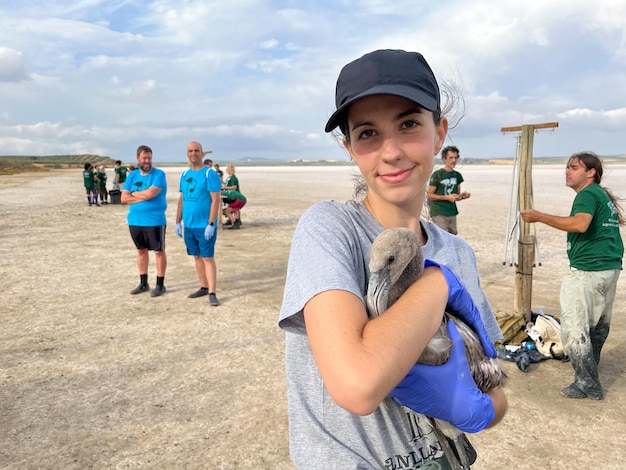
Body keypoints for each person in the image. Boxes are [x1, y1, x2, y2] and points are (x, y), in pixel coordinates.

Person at [278, 49, 506, 468]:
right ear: (349, 148)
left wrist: (480, 410)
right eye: (367, 133)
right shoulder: (331, 229)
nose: (391, 151)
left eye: (408, 124)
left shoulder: (458, 253)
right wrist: (438, 284)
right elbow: (358, 384)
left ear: (439, 132)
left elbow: (493, 386)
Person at [520, 151, 623, 400]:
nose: (567, 171)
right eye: (566, 167)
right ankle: (590, 369)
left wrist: (539, 217)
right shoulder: (600, 195)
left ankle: (587, 383)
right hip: (609, 267)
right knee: (597, 325)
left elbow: (580, 224)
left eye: (574, 167)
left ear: (591, 173)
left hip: (588, 269)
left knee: (574, 327)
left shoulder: (588, 194)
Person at [175, 141, 222, 306]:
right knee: (196, 256)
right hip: (189, 225)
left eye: (196, 150)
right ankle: (203, 285)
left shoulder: (209, 174)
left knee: (207, 257)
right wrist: (177, 221)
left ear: (202, 153)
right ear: (187, 153)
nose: (193, 153)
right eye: (190, 151)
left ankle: (212, 292)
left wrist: (211, 223)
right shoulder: (184, 174)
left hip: (204, 225)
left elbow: (216, 200)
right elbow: (182, 199)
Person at [121, 145, 168, 297]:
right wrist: (142, 195)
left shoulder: (158, 175)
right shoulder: (132, 176)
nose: (147, 161)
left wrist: (134, 194)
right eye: (144, 158)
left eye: (149, 158)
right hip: (135, 220)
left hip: (154, 221)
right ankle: (143, 283)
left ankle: (160, 284)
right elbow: (123, 198)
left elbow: (151, 194)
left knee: (158, 251)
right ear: (138, 159)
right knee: (141, 251)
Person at [427, 145, 470, 234]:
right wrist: (447, 197)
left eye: (455, 158)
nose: (453, 160)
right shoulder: (437, 174)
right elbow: (429, 195)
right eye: (450, 158)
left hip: (452, 212)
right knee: (442, 237)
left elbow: (456, 196)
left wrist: (463, 196)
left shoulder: (457, 175)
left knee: (453, 237)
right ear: (444, 159)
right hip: (439, 211)